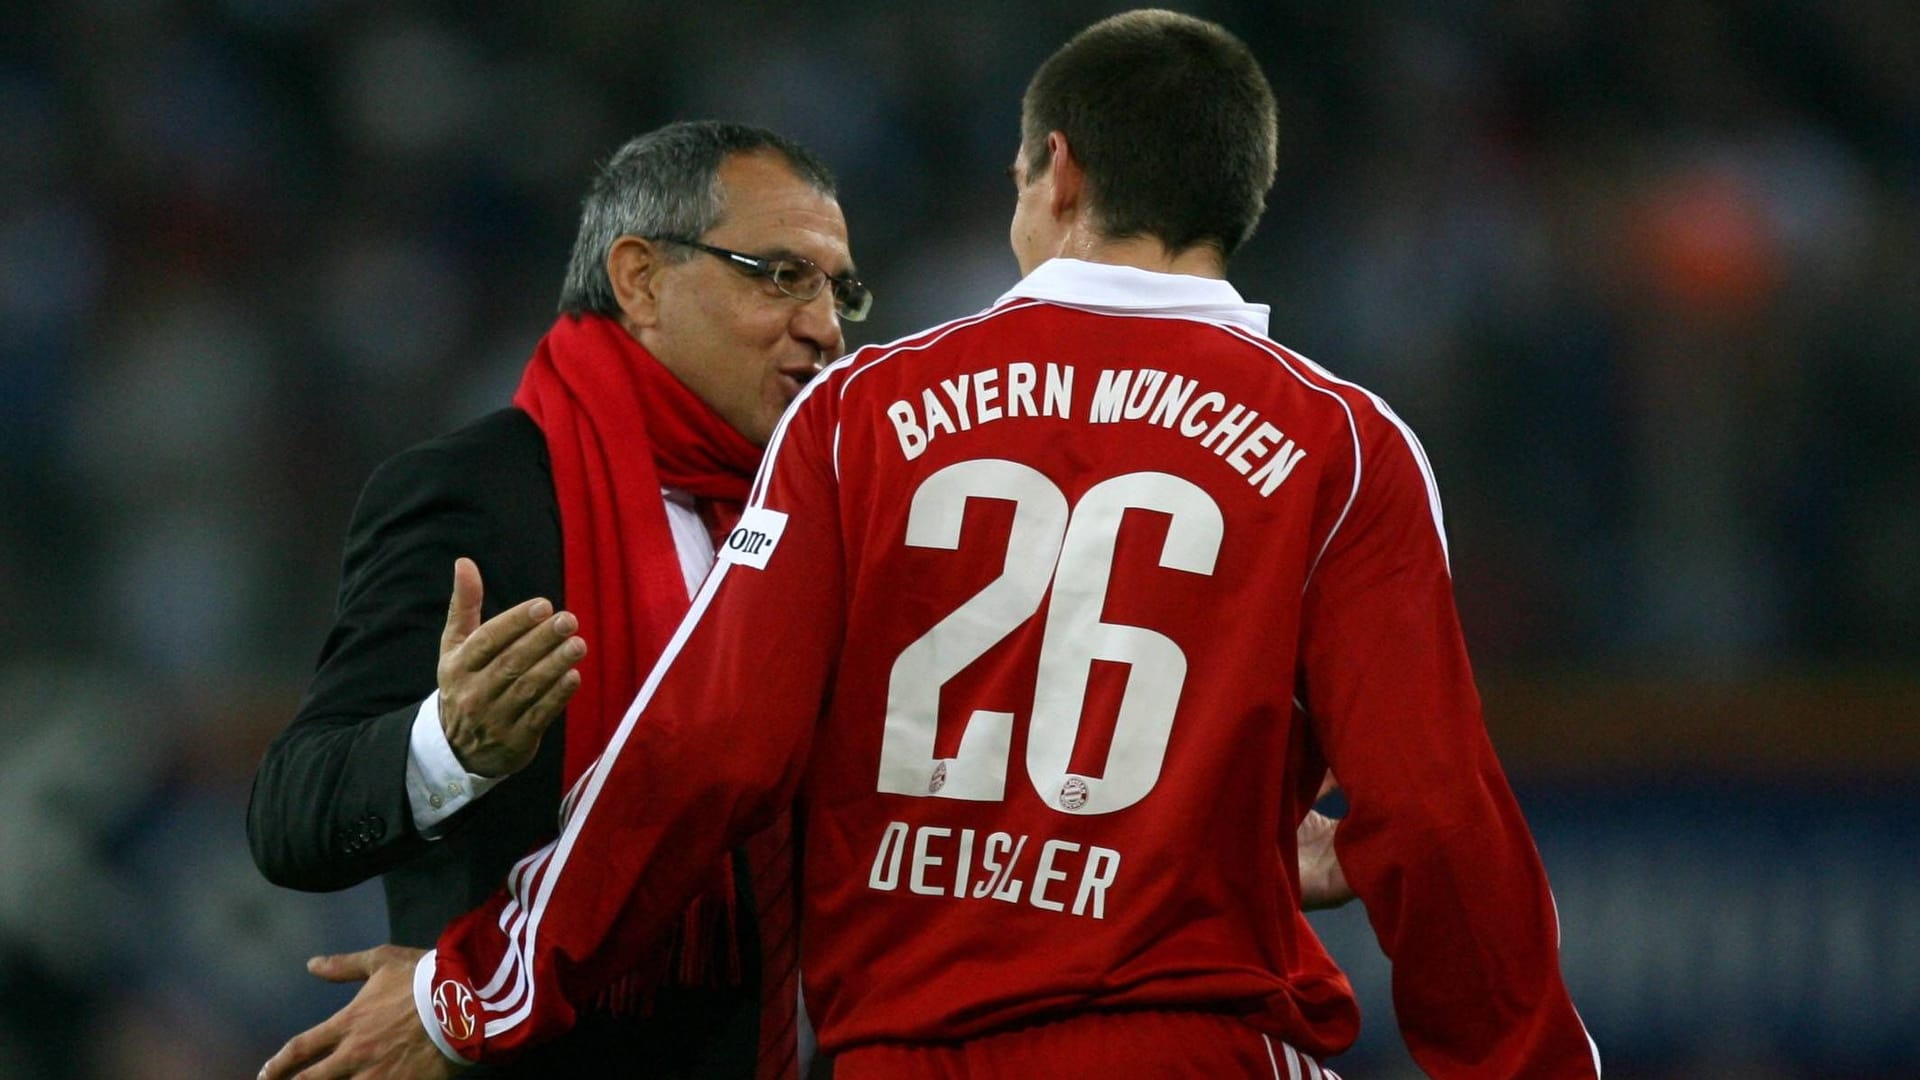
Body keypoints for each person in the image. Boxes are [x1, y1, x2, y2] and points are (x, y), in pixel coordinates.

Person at [262, 9, 1589, 1078]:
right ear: (1240, 197)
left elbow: (709, 748)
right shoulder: (1339, 443)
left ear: (1054, 169)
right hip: (1182, 1036)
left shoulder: (864, 414)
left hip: (897, 1048)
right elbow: (1434, 819)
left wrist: (465, 992)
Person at [247, 119, 872, 1078]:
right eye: (780, 274)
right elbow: (293, 814)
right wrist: (447, 747)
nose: (826, 327)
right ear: (640, 278)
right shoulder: (480, 494)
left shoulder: (826, 515)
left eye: (839, 289)